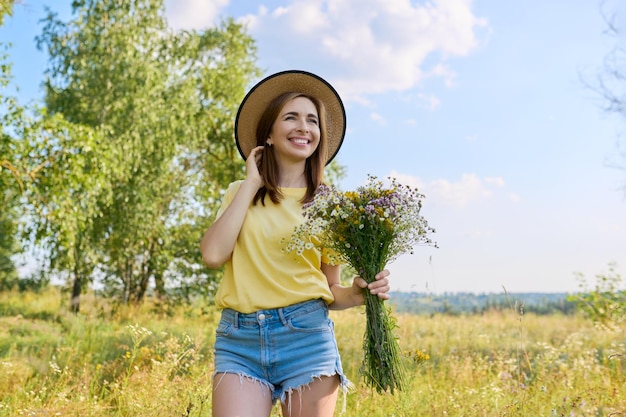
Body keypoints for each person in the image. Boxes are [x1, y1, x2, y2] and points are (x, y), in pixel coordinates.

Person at [200, 70, 392, 417]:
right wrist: (250, 184)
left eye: (312, 120)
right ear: (269, 135)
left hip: (306, 337)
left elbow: (331, 289)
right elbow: (213, 255)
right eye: (291, 117)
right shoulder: (238, 193)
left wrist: (360, 292)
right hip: (239, 341)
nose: (304, 127)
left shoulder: (328, 208)